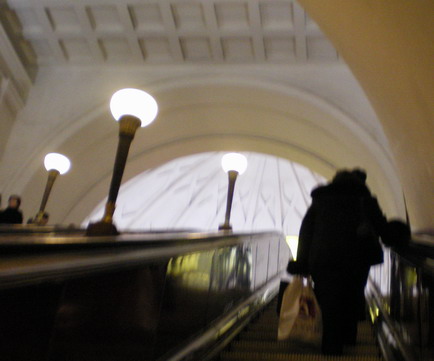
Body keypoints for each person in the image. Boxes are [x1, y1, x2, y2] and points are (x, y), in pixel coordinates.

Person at [287, 168, 388, 355]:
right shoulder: (365, 201)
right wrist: (399, 234)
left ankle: (330, 346)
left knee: (327, 299)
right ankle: (348, 336)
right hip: (356, 261)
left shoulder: (320, 201)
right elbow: (382, 227)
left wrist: (302, 262)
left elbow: (306, 233)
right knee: (352, 295)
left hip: (323, 260)